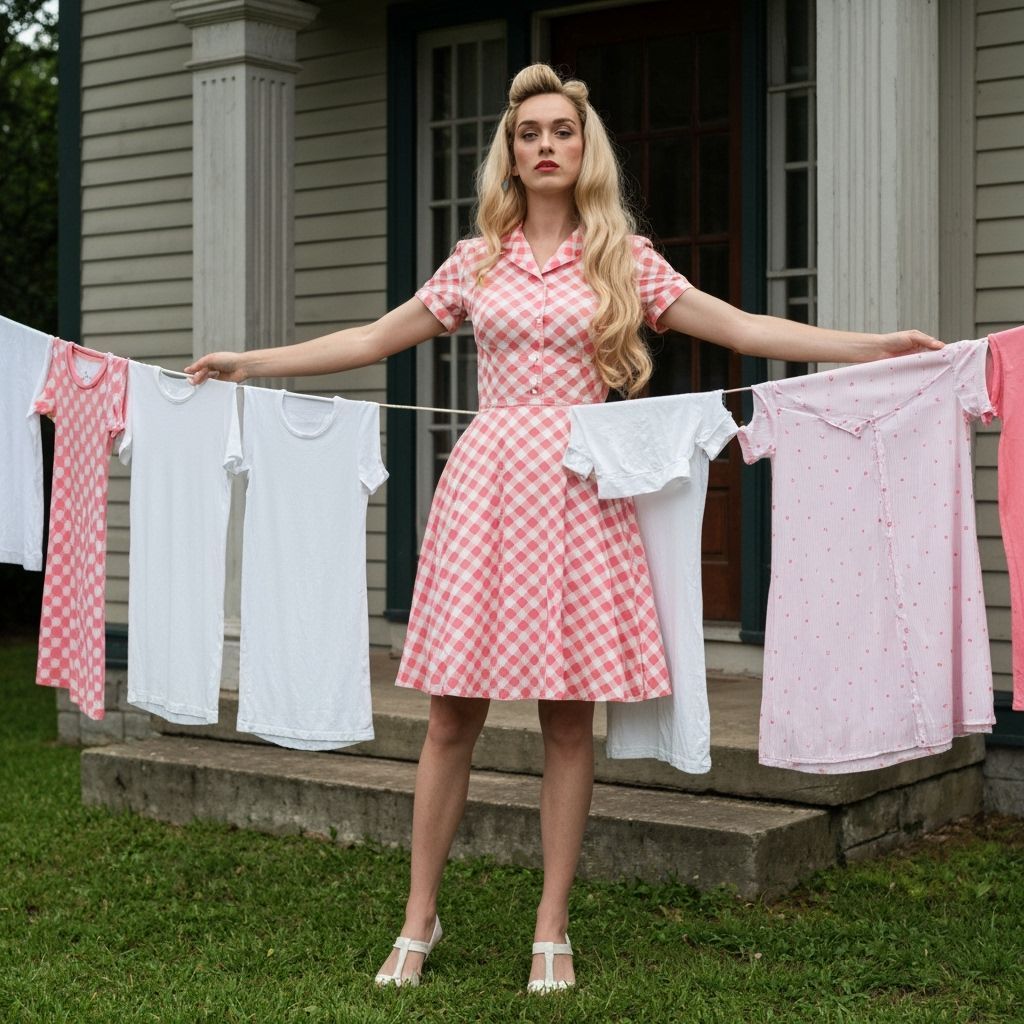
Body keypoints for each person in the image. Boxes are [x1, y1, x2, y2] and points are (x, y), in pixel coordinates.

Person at [185, 63, 941, 992]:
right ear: (511, 151)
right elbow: (371, 341)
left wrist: (877, 346)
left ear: (586, 151)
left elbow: (742, 330)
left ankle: (551, 927)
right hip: (486, 489)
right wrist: (248, 363)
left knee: (567, 720)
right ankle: (418, 919)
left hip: (582, 495)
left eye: (563, 132)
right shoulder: (476, 260)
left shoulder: (622, 258)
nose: (546, 145)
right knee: (451, 714)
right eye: (530, 132)